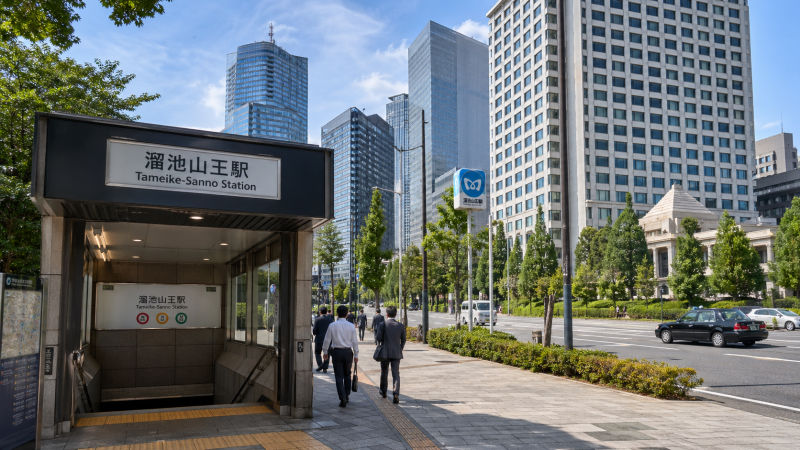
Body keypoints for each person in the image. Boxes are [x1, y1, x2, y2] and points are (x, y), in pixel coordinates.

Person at [322, 305, 359, 407]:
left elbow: (327, 340)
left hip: (336, 352)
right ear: (347, 314)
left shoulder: (332, 325)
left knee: (338, 375)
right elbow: (355, 342)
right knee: (347, 374)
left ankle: (342, 397)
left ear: (337, 314)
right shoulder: (351, 326)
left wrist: (325, 352)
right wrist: (356, 354)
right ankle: (347, 395)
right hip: (348, 352)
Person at [375, 306, 406, 404]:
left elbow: (378, 338)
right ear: (396, 314)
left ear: (386, 314)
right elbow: (404, 339)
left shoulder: (382, 324)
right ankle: (396, 393)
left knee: (384, 372)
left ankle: (384, 391)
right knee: (396, 373)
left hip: (385, 352)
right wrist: (400, 348)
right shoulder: (400, 326)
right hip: (396, 352)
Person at [312, 306, 333, 373]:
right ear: (327, 312)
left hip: (319, 339)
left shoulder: (317, 319)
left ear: (320, 312)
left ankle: (320, 364)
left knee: (317, 352)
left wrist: (315, 333)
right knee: (327, 352)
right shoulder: (330, 320)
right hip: (328, 339)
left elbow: (314, 331)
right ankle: (325, 367)